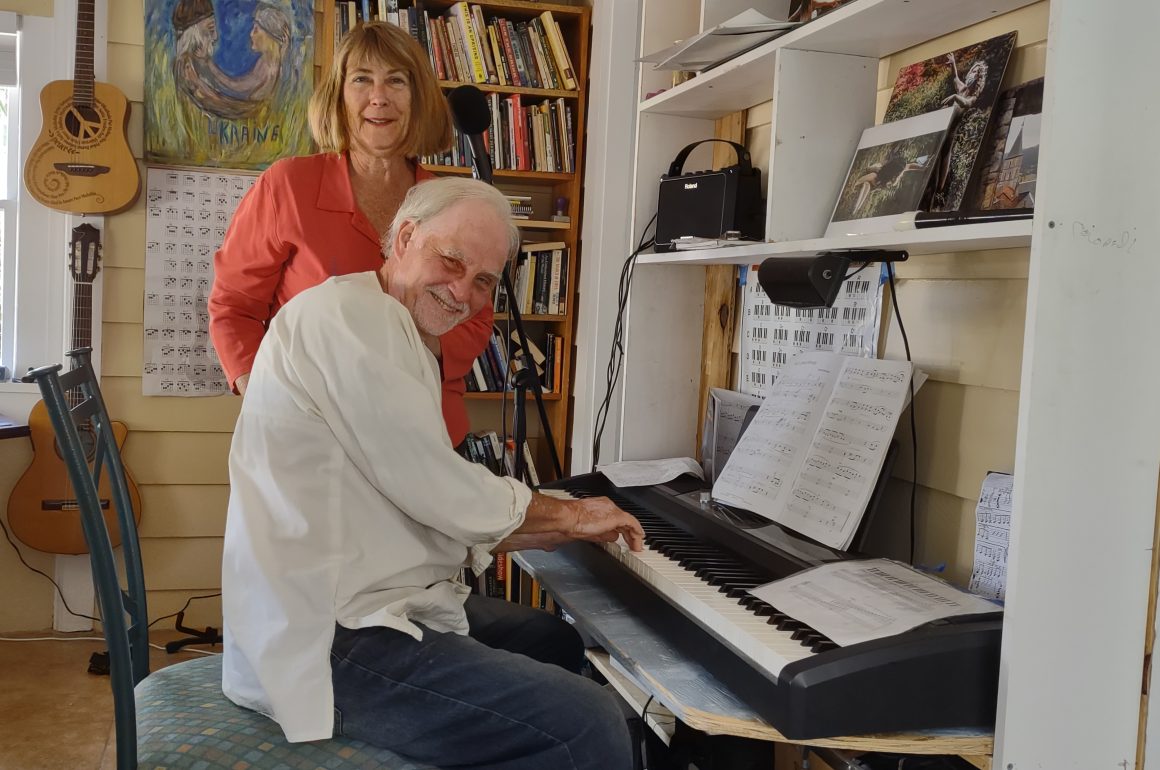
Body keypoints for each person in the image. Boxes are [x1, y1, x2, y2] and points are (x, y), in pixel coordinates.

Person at [221, 177, 644, 769]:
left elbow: (427, 495)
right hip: (329, 634)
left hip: (368, 598)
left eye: (483, 282)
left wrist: (565, 523)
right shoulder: (347, 320)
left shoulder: (391, 324)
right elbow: (435, 487)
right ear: (406, 236)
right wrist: (572, 515)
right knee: (585, 721)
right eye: (451, 262)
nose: (461, 292)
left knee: (552, 639)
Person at [208, 22, 491, 449]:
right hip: (314, 439)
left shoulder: (450, 204)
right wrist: (268, 399)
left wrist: (412, 349)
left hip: (425, 438)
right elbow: (234, 308)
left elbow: (477, 314)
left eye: (397, 80)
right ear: (339, 95)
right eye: (362, 79)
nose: (379, 97)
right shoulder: (287, 186)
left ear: (419, 98)